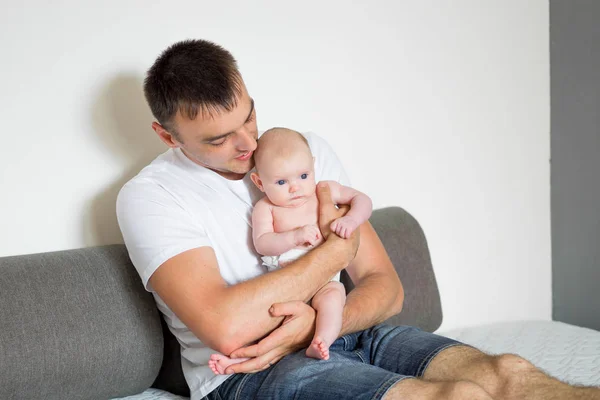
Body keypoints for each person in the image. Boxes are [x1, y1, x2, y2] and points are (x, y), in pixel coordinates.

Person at [117, 39, 600, 400]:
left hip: (343, 328)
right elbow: (225, 327)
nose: (247, 144)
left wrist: (321, 325)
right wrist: (333, 251)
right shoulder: (149, 198)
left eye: (249, 117)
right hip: (250, 373)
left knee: (510, 374)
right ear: (167, 135)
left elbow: (384, 286)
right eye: (219, 139)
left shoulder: (299, 154)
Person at [208, 127, 373, 374]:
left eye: (304, 175)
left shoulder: (324, 190)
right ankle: (236, 363)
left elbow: (363, 200)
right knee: (267, 327)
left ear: (313, 166)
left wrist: (351, 221)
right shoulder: (266, 208)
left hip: (325, 281)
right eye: (282, 182)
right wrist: (293, 237)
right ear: (259, 182)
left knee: (334, 299)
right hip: (286, 286)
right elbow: (262, 243)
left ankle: (322, 341)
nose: (295, 188)